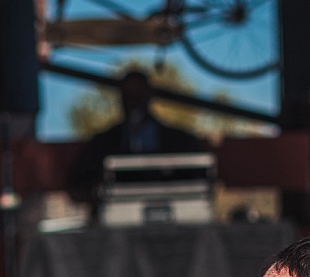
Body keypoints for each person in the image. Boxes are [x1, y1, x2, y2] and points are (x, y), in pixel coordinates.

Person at [68, 68, 207, 199]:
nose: (134, 104)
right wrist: (99, 188)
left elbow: (202, 182)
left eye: (138, 96)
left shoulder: (180, 141)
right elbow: (77, 187)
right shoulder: (102, 144)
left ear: (149, 97)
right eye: (128, 97)